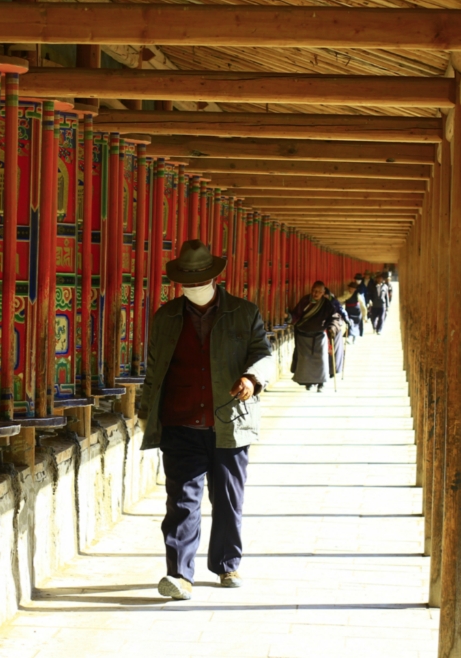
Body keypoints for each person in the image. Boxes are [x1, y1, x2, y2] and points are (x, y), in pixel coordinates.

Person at [137, 239, 274, 601]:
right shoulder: (166, 317)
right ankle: (179, 574)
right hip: (180, 422)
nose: (194, 287)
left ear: (214, 278)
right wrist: (145, 412)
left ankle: (227, 564)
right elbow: (154, 371)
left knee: (228, 500)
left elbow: (264, 354)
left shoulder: (245, 313)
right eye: (188, 283)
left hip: (230, 423)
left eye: (200, 281)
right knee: (181, 502)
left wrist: (252, 379)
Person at [289, 281, 340, 392]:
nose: (315, 293)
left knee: (321, 360)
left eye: (318, 292)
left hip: (319, 337)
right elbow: (296, 314)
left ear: (323, 292)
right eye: (313, 291)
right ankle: (308, 383)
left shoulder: (327, 304)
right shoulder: (305, 301)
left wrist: (332, 327)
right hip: (303, 336)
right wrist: (289, 318)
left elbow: (334, 317)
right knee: (306, 361)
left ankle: (321, 383)